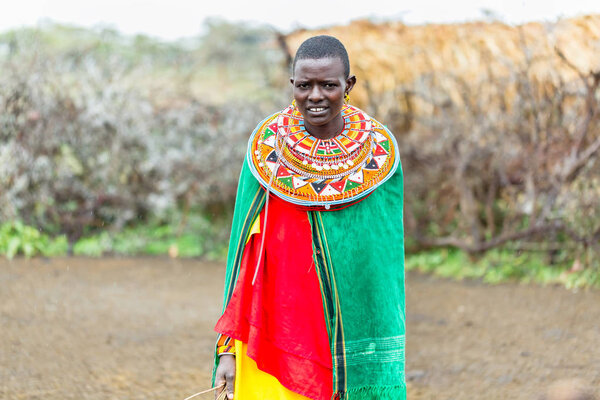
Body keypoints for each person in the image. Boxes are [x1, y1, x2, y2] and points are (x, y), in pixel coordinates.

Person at [212, 35, 406, 400]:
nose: (315, 96)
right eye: (305, 85)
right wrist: (227, 350)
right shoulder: (266, 156)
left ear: (348, 86)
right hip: (277, 333)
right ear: (293, 86)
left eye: (328, 85)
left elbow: (382, 267)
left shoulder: (379, 157)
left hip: (355, 335)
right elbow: (243, 258)